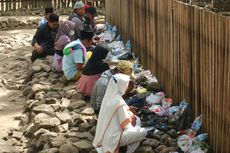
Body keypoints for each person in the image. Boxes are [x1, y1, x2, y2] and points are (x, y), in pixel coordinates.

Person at [93, 73, 148, 153]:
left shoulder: (109, 97)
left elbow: (116, 114)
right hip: (113, 138)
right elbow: (127, 125)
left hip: (105, 136)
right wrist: (132, 117)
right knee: (142, 132)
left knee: (137, 121)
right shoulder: (118, 101)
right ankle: (129, 151)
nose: (126, 87)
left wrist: (128, 110)